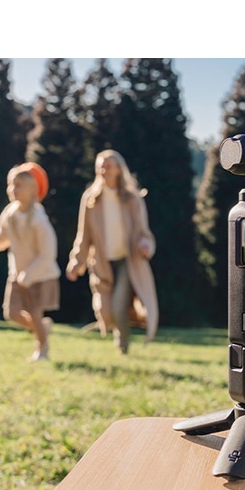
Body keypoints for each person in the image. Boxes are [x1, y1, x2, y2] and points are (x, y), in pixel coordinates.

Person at [66, 149, 158, 354]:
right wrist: (76, 262)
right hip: (101, 262)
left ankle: (123, 345)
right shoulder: (91, 199)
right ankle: (118, 330)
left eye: (108, 166)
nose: (103, 170)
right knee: (105, 312)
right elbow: (84, 236)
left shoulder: (132, 199)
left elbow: (143, 232)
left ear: (118, 170)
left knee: (118, 307)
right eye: (100, 167)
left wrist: (145, 246)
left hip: (127, 261)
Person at [0, 163, 60, 362]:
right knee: (11, 313)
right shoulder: (10, 213)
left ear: (33, 190)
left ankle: (42, 349)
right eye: (11, 184)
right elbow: (1, 238)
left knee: (35, 312)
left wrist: (29, 274)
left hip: (39, 275)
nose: (13, 189)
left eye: (19, 185)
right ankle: (41, 328)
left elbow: (48, 253)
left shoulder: (38, 219)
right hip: (17, 273)